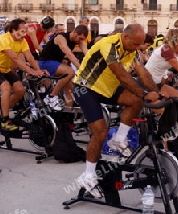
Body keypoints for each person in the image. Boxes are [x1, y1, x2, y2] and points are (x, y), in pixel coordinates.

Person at [73, 24, 161, 198]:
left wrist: (156, 93)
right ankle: (88, 175)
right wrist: (144, 93)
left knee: (135, 101)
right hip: (86, 88)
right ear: (125, 37)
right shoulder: (108, 44)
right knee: (100, 133)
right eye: (136, 45)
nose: (138, 49)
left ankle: (119, 139)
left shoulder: (132, 49)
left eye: (140, 45)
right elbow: (121, 74)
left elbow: (143, 73)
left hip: (108, 89)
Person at [0, 18, 46, 131]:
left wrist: (39, 70)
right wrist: (30, 71)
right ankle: (5, 120)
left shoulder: (22, 41)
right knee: (6, 87)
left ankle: (2, 112)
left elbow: (30, 57)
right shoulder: (3, 39)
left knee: (20, 89)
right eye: (21, 31)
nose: (24, 33)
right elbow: (15, 59)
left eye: (24, 31)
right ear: (12, 30)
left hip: (5, 69)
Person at [39, 25, 88, 110]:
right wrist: (81, 69)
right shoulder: (61, 38)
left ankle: (66, 116)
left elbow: (86, 52)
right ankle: (51, 97)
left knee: (71, 90)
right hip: (45, 63)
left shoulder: (77, 40)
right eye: (80, 38)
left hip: (56, 64)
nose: (80, 41)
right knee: (70, 72)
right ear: (75, 33)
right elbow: (68, 54)